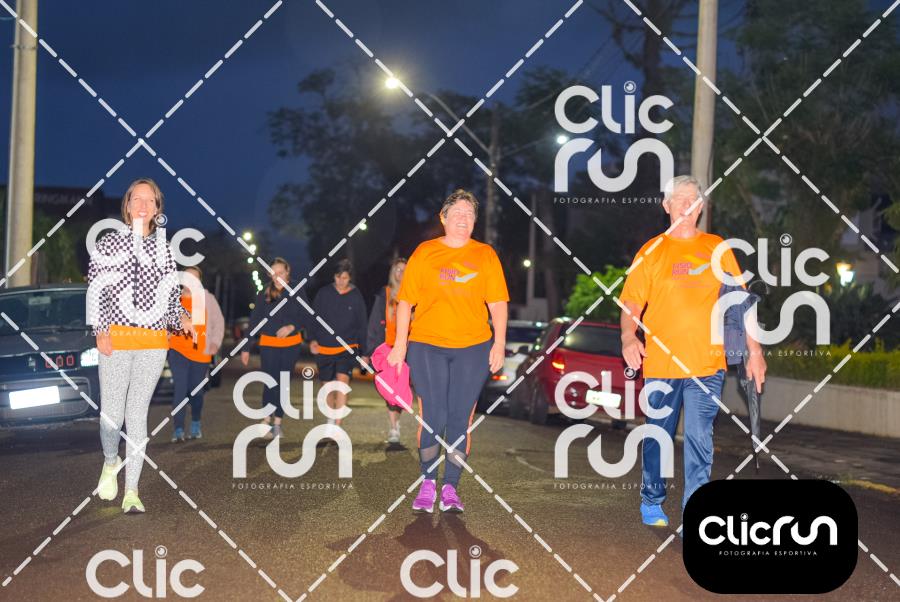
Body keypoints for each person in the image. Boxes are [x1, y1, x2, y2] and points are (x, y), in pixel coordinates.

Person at [619, 175, 766, 527]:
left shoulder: (717, 248)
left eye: (693, 199)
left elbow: (741, 302)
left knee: (700, 438)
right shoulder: (651, 251)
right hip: (661, 364)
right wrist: (628, 337)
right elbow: (631, 304)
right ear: (666, 205)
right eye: (679, 198)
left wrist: (755, 351)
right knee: (658, 436)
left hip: (707, 363)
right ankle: (652, 498)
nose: (686, 204)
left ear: (700, 207)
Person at [387, 189, 509, 513]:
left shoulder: (485, 255)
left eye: (469, 214)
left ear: (475, 221)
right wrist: (400, 344)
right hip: (427, 345)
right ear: (443, 218)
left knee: (459, 420)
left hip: (473, 348)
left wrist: (499, 343)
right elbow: (405, 301)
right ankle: (428, 483)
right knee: (434, 417)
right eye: (457, 213)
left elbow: (497, 303)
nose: (463, 218)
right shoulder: (425, 252)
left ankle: (451, 487)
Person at [88, 178, 196, 514]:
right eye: (137, 198)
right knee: (111, 416)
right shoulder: (108, 243)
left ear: (157, 208)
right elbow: (96, 288)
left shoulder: (164, 249)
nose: (143, 205)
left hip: (152, 342)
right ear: (127, 204)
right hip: (117, 338)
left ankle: (132, 491)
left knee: (136, 415)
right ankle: (110, 460)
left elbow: (169, 295)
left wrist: (182, 317)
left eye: (150, 200)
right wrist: (100, 330)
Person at [240, 257, 311, 438]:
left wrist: (292, 327)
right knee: (269, 382)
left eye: (280, 273)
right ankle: (266, 419)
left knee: (283, 384)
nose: (277, 277)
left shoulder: (297, 289)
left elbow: (306, 315)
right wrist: (246, 346)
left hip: (290, 345)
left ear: (287, 272)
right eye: (273, 273)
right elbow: (254, 320)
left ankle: (278, 423)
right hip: (268, 344)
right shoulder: (264, 292)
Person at [309, 259, 368, 437]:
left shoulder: (356, 296)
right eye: (338, 277)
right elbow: (313, 318)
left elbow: (362, 325)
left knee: (342, 385)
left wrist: (364, 353)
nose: (341, 281)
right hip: (324, 347)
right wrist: (312, 339)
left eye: (345, 278)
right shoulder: (323, 293)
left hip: (347, 347)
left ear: (350, 278)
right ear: (334, 276)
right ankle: (330, 419)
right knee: (328, 388)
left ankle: (337, 426)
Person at [168, 265, 224, 442]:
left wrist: (215, 343)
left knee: (196, 392)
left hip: (200, 353)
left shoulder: (206, 299)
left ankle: (195, 422)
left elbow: (218, 322)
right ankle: (178, 429)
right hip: (177, 351)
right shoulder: (174, 299)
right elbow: (163, 322)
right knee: (180, 390)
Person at [366, 257, 408, 443]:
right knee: (389, 389)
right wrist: (369, 350)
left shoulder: (413, 294)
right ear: (393, 272)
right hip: (387, 349)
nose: (401, 273)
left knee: (401, 388)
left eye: (404, 270)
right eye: (398, 269)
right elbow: (374, 322)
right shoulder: (385, 293)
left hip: (407, 349)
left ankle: (397, 421)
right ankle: (393, 427)